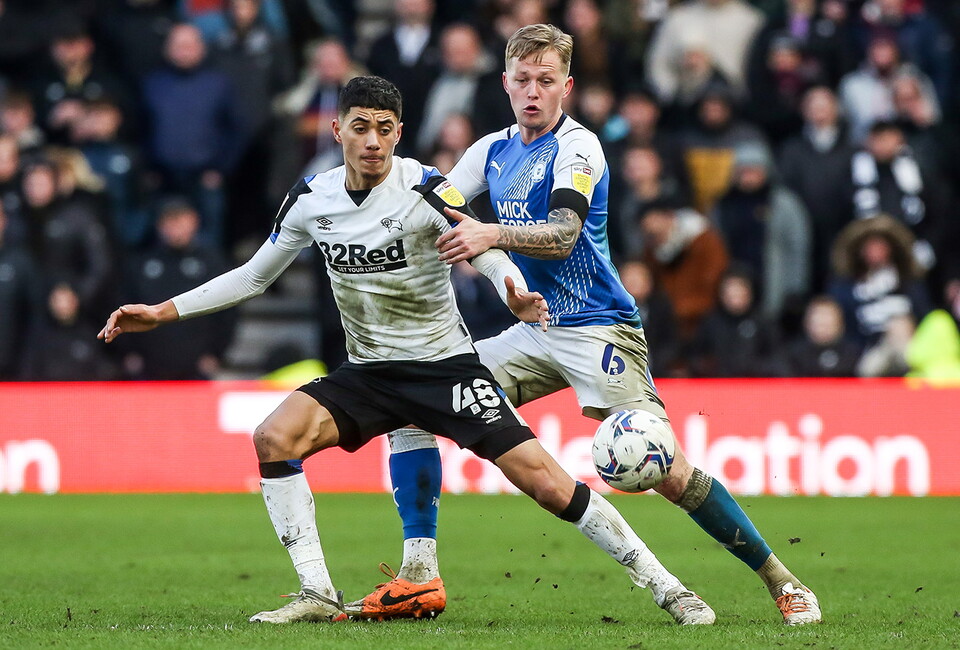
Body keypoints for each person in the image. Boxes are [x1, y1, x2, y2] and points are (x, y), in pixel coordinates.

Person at [98, 75, 714, 626]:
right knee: (272, 439)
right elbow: (256, 276)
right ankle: (316, 591)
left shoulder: (424, 186)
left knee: (548, 485)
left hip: (444, 368)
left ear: (399, 133)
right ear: (338, 129)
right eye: (360, 127)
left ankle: (666, 586)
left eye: (385, 129)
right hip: (368, 372)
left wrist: (513, 289)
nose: (372, 141)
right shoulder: (313, 198)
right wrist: (163, 310)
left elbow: (479, 242)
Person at [359, 25, 820, 626]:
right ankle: (419, 573)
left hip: (600, 329)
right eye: (522, 80)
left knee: (668, 473)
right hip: (532, 331)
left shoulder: (580, 148)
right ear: (504, 83)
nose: (533, 92)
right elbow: (429, 200)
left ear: (567, 87)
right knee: (413, 405)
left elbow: (563, 234)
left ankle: (783, 581)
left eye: (546, 81)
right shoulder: (490, 150)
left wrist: (490, 233)